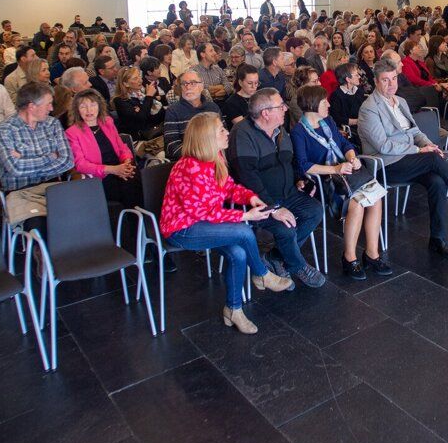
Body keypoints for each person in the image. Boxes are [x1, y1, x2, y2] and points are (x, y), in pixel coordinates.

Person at [358, 60, 448, 259]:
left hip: (410, 159)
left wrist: (431, 145)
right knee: (433, 160)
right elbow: (383, 146)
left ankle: (438, 239)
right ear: (376, 82)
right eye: (385, 80)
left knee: (437, 181)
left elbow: (415, 131)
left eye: (394, 78)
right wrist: (420, 151)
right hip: (386, 164)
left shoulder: (400, 101)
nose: (391, 84)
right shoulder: (369, 108)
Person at [163, 113, 294, 332]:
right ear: (207, 138)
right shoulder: (189, 168)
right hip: (182, 228)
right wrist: (245, 216)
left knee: (239, 254)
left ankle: (234, 310)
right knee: (243, 232)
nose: (227, 133)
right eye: (221, 131)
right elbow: (203, 212)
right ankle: (262, 275)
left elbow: (230, 189)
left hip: (204, 224)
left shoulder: (216, 159)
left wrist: (250, 197)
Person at [227, 88, 326, 287]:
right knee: (286, 228)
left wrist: (300, 178)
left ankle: (276, 257)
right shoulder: (243, 134)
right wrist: (274, 208)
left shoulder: (279, 129)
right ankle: (298, 266)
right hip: (256, 201)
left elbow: (289, 160)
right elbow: (248, 178)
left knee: (315, 210)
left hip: (287, 193)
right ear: (265, 113)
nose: (285, 108)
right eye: (280, 106)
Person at [291, 85, 390, 280]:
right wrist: (335, 169)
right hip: (324, 181)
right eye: (323, 102)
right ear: (312, 105)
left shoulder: (327, 120)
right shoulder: (298, 132)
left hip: (345, 174)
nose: (328, 104)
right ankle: (349, 257)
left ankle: (372, 253)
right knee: (358, 203)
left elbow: (344, 144)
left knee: (376, 199)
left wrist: (352, 157)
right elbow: (303, 166)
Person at [0, 82, 75, 233]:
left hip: (53, 187)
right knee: (38, 226)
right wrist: (50, 157)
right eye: (48, 104)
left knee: (78, 215)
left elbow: (68, 161)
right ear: (32, 106)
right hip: (21, 192)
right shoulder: (4, 129)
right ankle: (41, 255)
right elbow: (15, 169)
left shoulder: (53, 124)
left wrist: (25, 158)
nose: (51, 108)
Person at [65, 90, 139, 210]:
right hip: (97, 176)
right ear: (77, 110)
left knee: (136, 181)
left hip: (120, 169)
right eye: (83, 106)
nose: (89, 110)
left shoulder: (108, 122)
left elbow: (122, 148)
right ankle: (125, 224)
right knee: (123, 190)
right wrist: (113, 170)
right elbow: (80, 165)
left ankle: (141, 222)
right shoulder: (72, 133)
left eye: (93, 105)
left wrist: (126, 163)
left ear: (99, 106)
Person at [164, 70, 223, 159]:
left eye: (193, 83)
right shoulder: (173, 111)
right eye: (184, 84)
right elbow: (172, 147)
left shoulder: (213, 108)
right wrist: (202, 153)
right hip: (189, 162)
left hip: (216, 158)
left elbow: (224, 135)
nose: (188, 87)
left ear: (202, 86)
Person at [328, 61, 366, 136]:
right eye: (356, 75)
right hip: (348, 131)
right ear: (348, 79)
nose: (359, 76)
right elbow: (336, 118)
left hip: (363, 126)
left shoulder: (359, 91)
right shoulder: (336, 95)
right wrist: (357, 121)